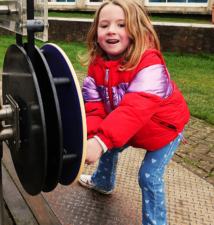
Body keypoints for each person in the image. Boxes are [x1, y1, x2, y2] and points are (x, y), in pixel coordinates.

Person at [77, 0, 190, 224]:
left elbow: (135, 108)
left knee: (148, 177)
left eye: (121, 25)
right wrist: (93, 138)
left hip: (164, 130)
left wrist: (100, 141)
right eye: (104, 25)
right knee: (107, 144)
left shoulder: (150, 63)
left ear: (137, 30)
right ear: (95, 31)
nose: (111, 30)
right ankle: (102, 182)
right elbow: (92, 108)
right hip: (127, 126)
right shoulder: (97, 65)